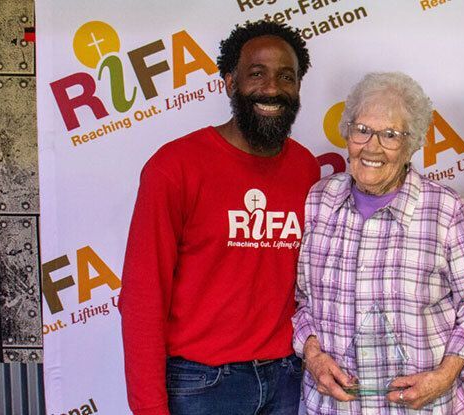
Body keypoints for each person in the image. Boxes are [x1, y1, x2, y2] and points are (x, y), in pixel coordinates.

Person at [119, 21, 320, 415]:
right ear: (229, 82)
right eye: (256, 74)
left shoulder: (306, 168)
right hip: (202, 385)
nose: (272, 89)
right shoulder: (174, 167)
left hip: (287, 380)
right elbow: (143, 298)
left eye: (286, 76)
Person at [292, 72, 464, 414]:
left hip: (421, 409)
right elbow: (302, 299)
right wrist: (314, 356)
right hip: (330, 408)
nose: (372, 147)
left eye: (391, 135)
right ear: (347, 133)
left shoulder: (447, 211)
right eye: (362, 130)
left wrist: (444, 376)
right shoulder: (318, 200)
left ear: (412, 145)